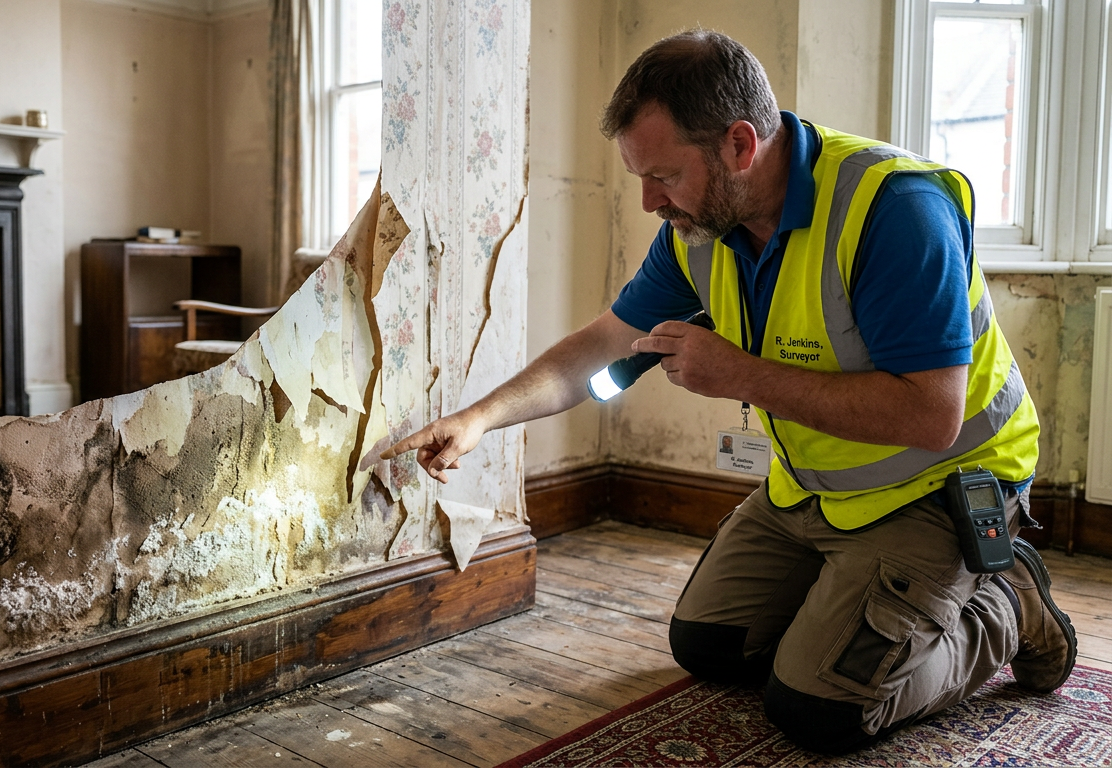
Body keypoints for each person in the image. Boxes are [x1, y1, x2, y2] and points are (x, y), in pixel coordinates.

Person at [382, 28, 1077, 754]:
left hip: (936, 487)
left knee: (819, 711)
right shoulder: (700, 229)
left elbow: (932, 417)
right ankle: (857, 601)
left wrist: (740, 376)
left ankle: (1003, 603)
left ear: (740, 146)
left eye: (664, 175)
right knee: (710, 646)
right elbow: (604, 342)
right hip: (813, 490)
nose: (650, 200)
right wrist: (478, 418)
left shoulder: (895, 211)